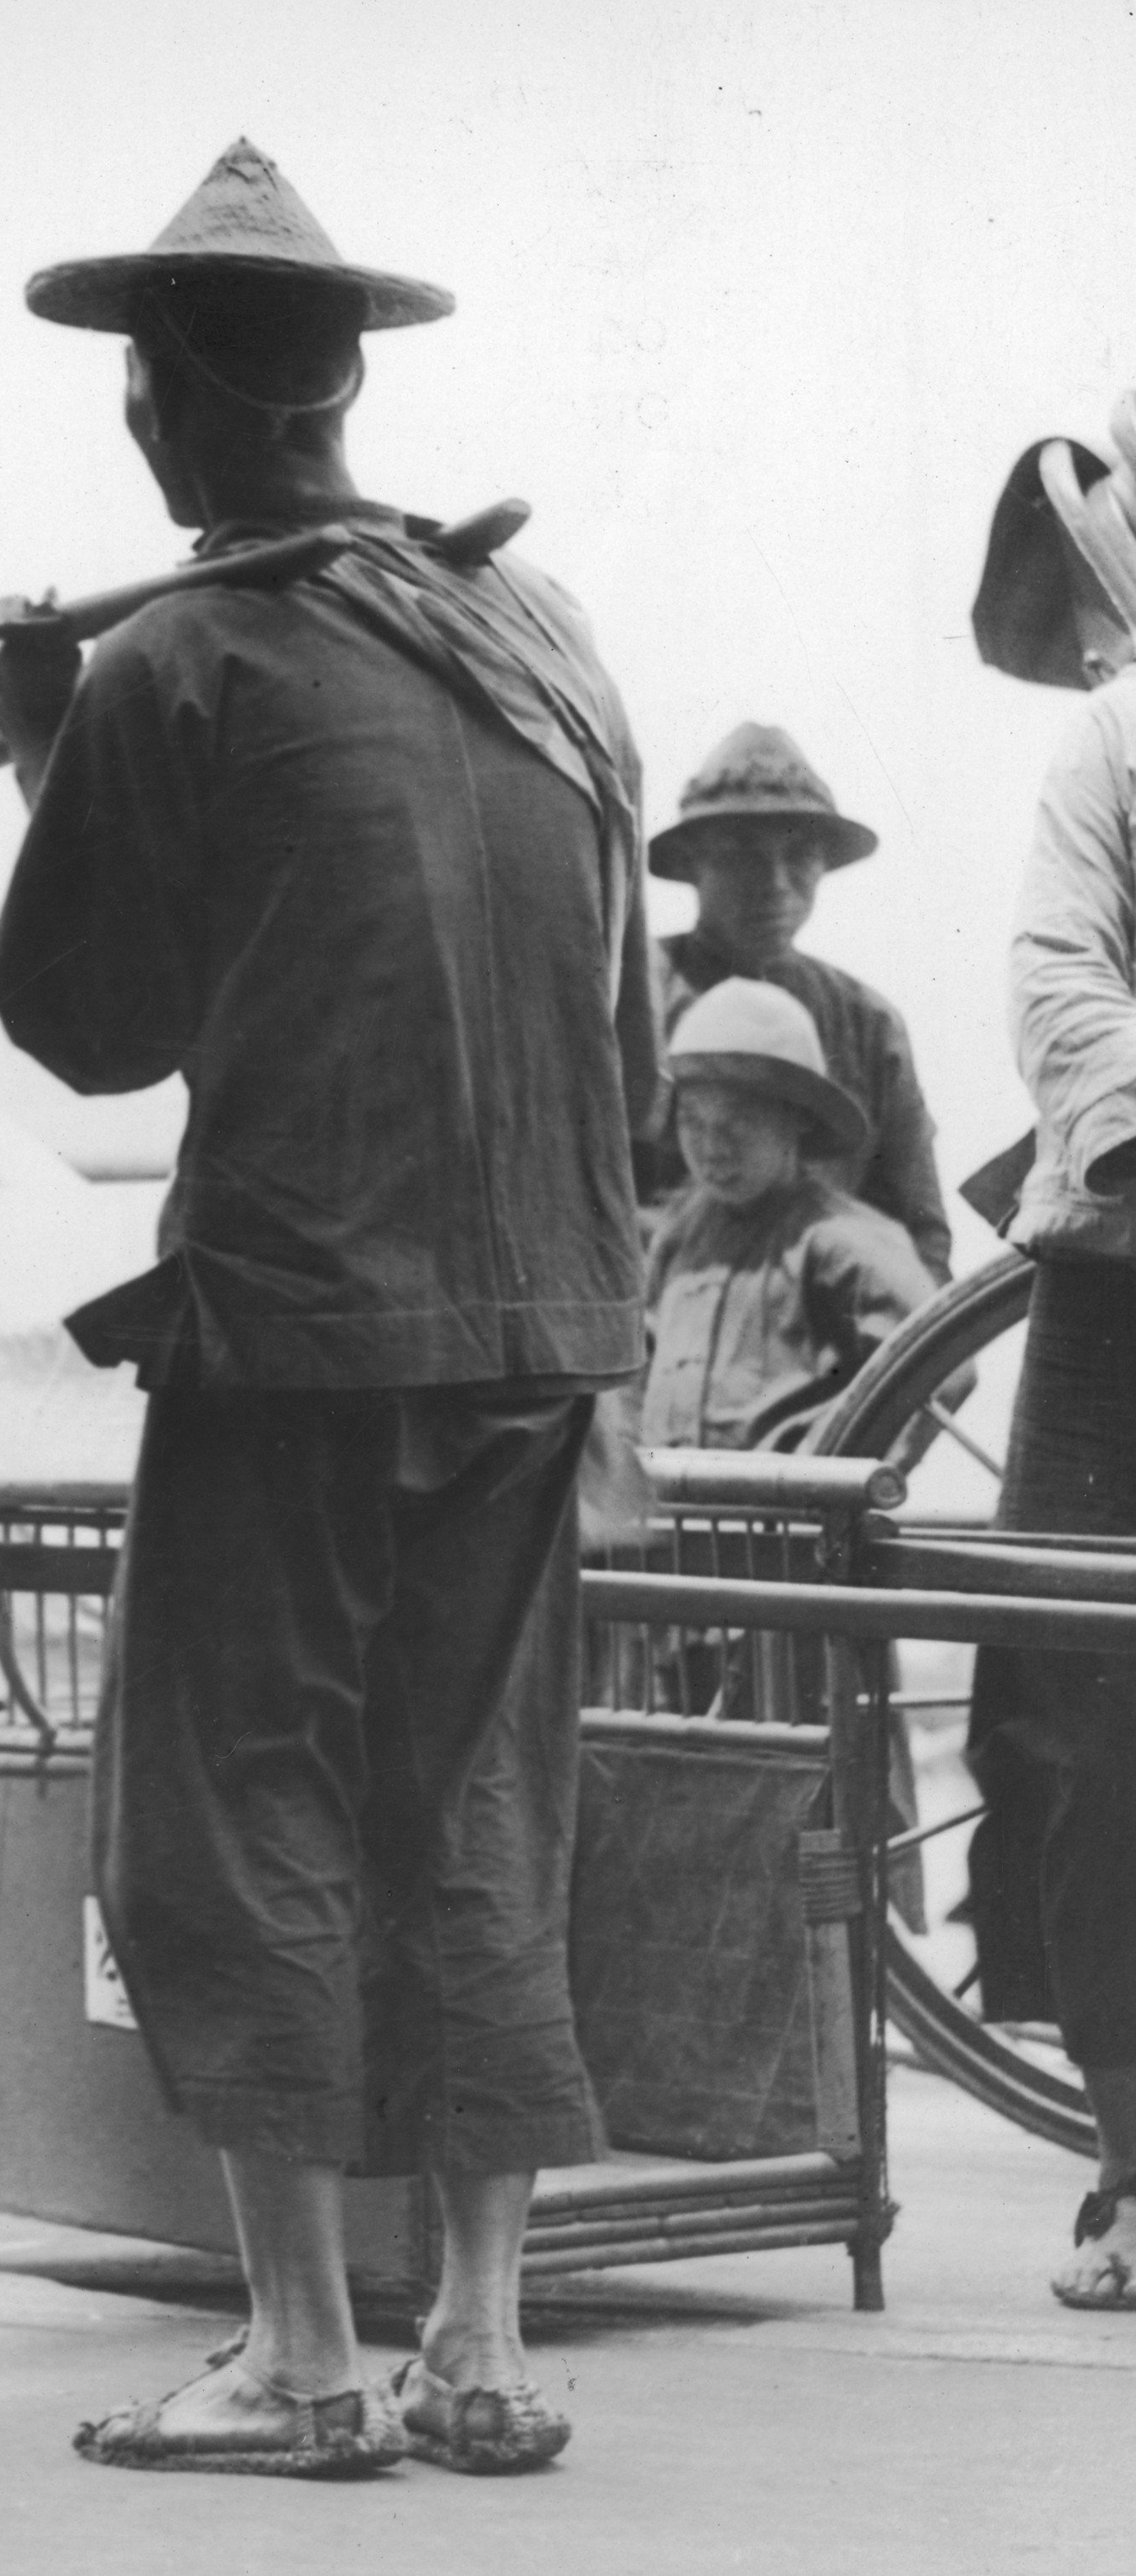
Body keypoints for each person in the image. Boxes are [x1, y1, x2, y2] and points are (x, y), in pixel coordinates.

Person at [0, 140, 656, 2476]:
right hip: (544, 1317)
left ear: (158, 407)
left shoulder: (181, 655)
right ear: (345, 383)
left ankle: (295, 2356)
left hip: (303, 1321)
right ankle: (477, 2337)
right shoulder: (533, 632)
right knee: (471, 1795)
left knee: (232, 1807)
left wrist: (35, 736)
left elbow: (90, 1022)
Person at [959, 399, 1136, 2308]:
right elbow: (1050, 969)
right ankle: (1129, 2162)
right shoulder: (1109, 739)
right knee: (1091, 1736)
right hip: (1121, 1281)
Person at [642, 722, 951, 1281]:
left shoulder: (865, 1022)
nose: (775, 885)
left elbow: (917, 1230)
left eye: (800, 857)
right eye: (741, 856)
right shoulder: (633, 998)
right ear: (691, 863)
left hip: (824, 1346)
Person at [641, 978, 932, 1454]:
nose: (713, 1147)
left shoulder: (840, 1241)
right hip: (668, 1517)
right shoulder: (676, 1242)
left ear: (797, 1118)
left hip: (789, 1519)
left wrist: (825, 1472)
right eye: (694, 1120)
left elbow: (938, 1367)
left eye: (739, 1122)